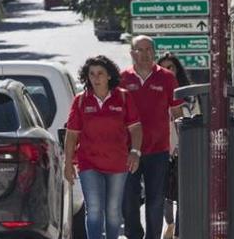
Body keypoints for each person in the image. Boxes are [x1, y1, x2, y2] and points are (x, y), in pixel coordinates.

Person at [64, 55, 143, 239]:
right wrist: (68, 163)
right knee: (93, 209)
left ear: (109, 76)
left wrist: (135, 152)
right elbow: (71, 134)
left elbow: (136, 128)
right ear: (87, 77)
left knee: (113, 211)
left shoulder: (123, 97)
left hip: (117, 163)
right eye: (91, 74)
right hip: (88, 163)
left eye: (100, 73)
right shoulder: (81, 100)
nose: (96, 78)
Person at [120, 36, 184, 239]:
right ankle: (133, 235)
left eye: (149, 49)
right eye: (140, 49)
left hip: (158, 150)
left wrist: (182, 144)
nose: (146, 54)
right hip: (128, 151)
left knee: (155, 200)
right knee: (128, 199)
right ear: (132, 53)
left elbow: (177, 114)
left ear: (154, 52)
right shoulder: (122, 79)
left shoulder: (166, 78)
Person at [158, 52, 192, 239]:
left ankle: (178, 231)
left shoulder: (188, 94)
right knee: (164, 193)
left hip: (184, 149)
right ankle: (169, 224)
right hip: (162, 149)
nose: (167, 70)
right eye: (163, 67)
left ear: (177, 69)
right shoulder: (155, 93)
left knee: (181, 192)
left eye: (170, 67)